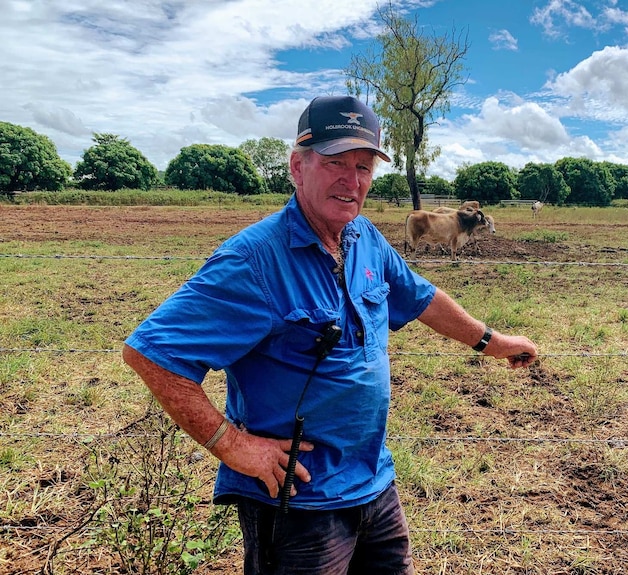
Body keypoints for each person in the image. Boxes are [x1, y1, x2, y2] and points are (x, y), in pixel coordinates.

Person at [123, 95, 538, 575]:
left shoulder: (364, 237)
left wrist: (492, 341)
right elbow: (151, 354)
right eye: (335, 162)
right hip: (298, 501)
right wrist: (233, 446)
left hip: (374, 481)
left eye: (364, 166)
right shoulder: (252, 261)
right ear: (298, 168)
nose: (352, 180)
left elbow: (419, 296)